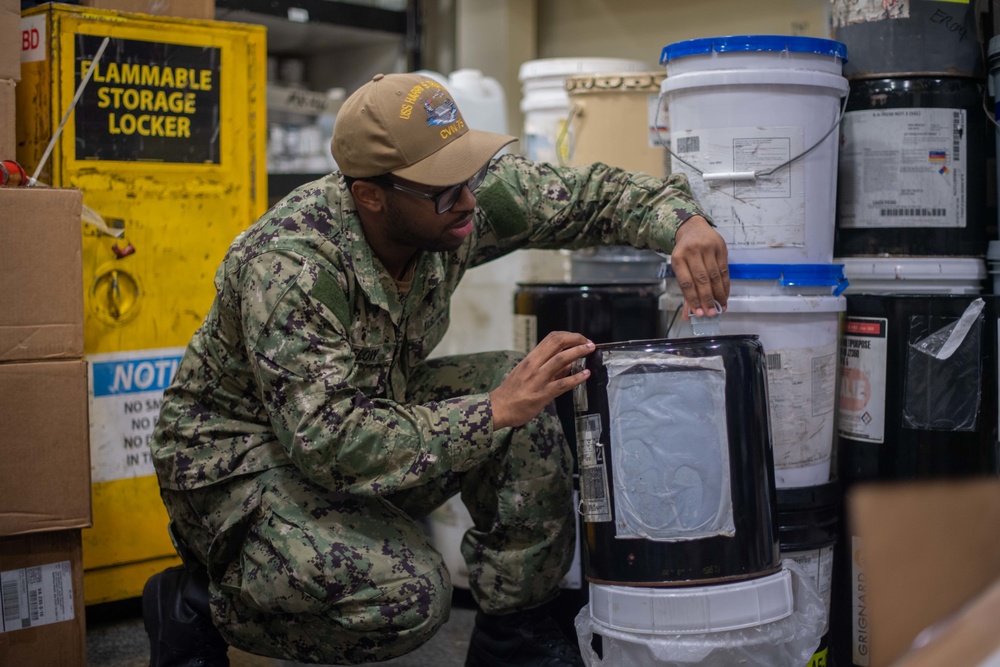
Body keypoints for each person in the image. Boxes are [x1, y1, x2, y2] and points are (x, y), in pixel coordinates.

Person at [142, 71, 729, 667]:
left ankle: (516, 639)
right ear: (371, 194)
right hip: (236, 465)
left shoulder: (448, 203)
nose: (470, 199)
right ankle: (200, 602)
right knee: (410, 596)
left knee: (520, 404)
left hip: (366, 412)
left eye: (469, 175)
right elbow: (328, 441)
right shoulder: (292, 267)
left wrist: (680, 221)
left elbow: (587, 196)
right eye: (445, 190)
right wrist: (492, 410)